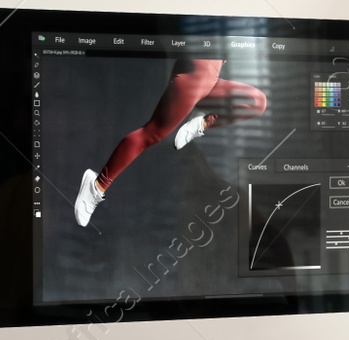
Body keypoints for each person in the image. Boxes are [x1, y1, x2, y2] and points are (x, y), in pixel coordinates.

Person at [73, 57, 267, 227]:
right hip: (194, 78)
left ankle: (202, 122)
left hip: (211, 80)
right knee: (152, 134)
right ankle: (97, 185)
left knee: (257, 102)